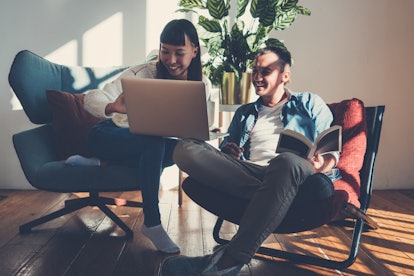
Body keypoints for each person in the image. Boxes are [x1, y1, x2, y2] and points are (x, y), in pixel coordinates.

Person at [160, 46, 340, 275]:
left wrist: (321, 164)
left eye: (265, 71)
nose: (257, 77)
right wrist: (228, 151)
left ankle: (229, 261)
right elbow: (227, 158)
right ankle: (272, 196)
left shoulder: (310, 102)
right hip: (251, 172)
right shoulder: (244, 112)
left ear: (285, 76)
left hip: (297, 172)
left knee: (286, 161)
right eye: (254, 71)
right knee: (185, 148)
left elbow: (331, 148)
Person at [72, 19, 213, 254]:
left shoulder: (202, 84)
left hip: (144, 146)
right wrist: (112, 106)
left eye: (179, 53)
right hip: (105, 135)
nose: (171, 60)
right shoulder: (142, 72)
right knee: (154, 143)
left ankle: (101, 164)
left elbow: (187, 128)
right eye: (165, 52)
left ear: (194, 51)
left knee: (177, 150)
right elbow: (90, 98)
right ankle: (152, 222)